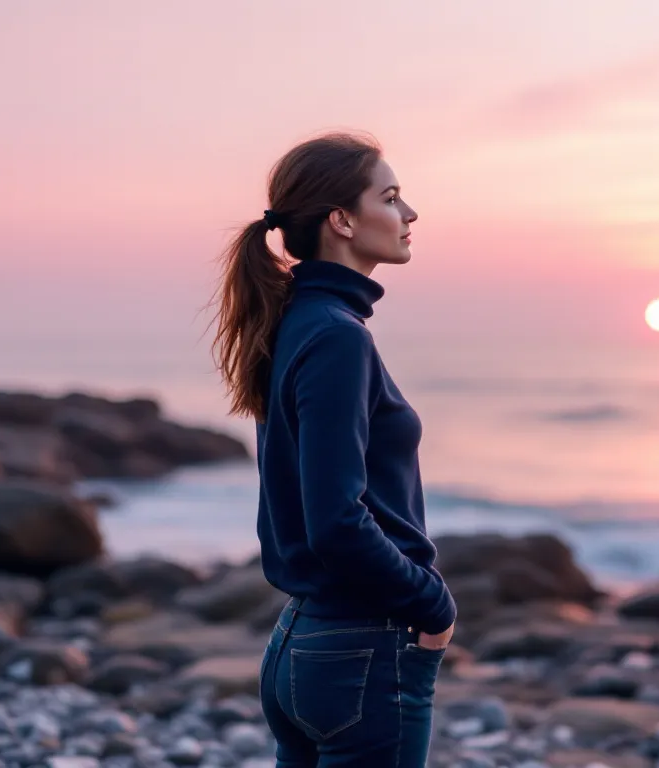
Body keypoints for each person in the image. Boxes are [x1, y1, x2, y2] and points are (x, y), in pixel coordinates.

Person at [210, 131, 456, 767]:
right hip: (360, 650)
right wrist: (432, 603)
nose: (410, 214)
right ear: (342, 220)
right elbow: (336, 521)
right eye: (392, 197)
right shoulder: (335, 336)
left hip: (305, 643)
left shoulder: (298, 322)